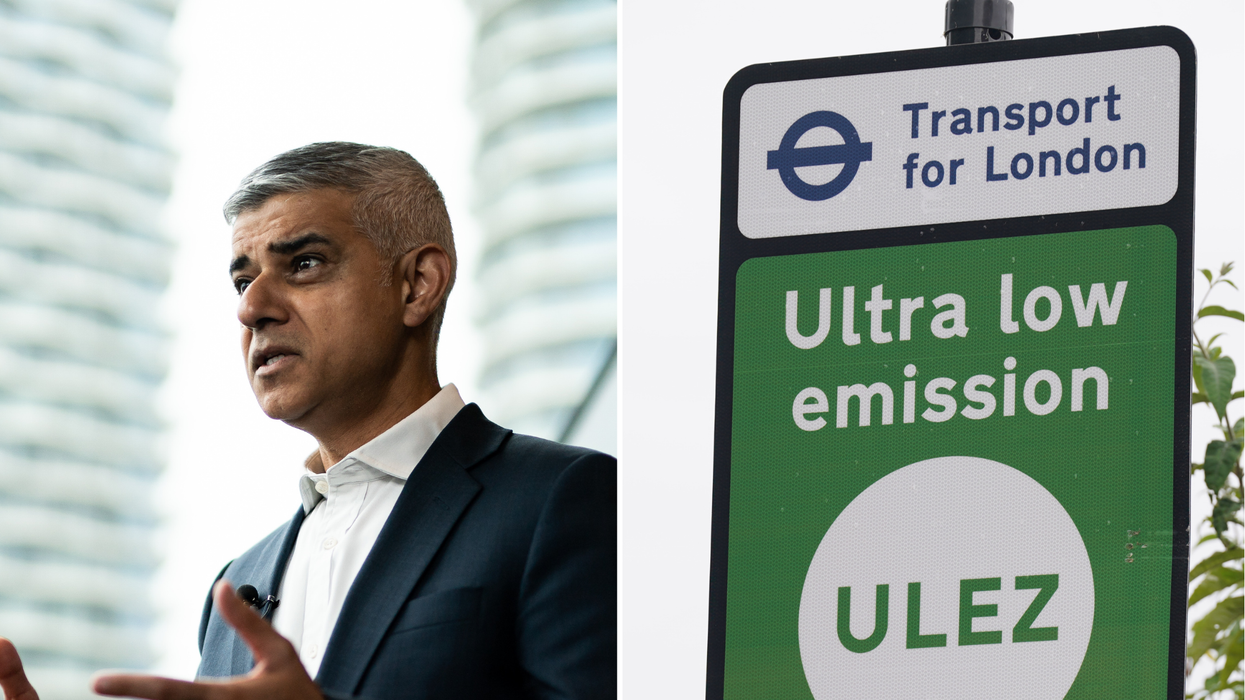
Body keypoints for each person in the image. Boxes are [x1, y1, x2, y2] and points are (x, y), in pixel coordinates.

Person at [0, 142, 616, 700]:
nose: (252, 308)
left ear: (417, 285)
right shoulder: (234, 587)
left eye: (303, 264)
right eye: (243, 280)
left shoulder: (564, 498)